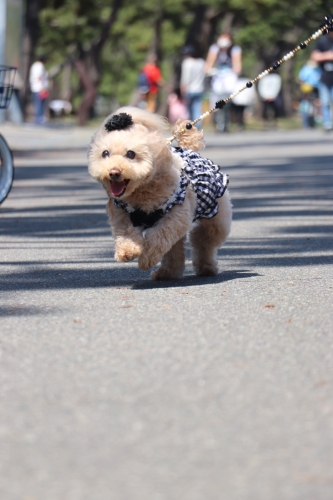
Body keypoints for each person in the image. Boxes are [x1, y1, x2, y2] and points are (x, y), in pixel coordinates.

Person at [205, 31, 242, 132]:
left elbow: (237, 65)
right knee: (216, 97)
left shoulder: (234, 49)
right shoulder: (215, 48)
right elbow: (209, 63)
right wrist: (209, 70)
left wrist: (234, 71)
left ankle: (228, 121)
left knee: (229, 96)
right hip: (218, 75)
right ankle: (218, 122)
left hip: (229, 75)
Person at [311, 30, 333, 131]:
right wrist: (328, 55)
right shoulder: (323, 41)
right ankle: (328, 124)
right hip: (325, 78)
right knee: (325, 102)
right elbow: (314, 57)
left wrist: (324, 56)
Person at [180, 45, 205, 125]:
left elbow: (186, 77)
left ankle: (189, 125)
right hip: (199, 88)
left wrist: (183, 88)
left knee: (188, 109)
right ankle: (198, 124)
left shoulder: (187, 63)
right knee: (197, 108)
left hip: (189, 89)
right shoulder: (201, 62)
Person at [297, 59, 321, 128]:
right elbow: (300, 79)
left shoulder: (317, 69)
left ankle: (314, 120)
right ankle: (306, 121)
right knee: (306, 105)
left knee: (316, 104)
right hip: (307, 89)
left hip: (315, 89)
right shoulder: (306, 69)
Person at [29, 55, 49, 124]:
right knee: (40, 104)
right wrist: (42, 87)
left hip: (34, 87)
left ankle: (38, 117)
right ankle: (38, 118)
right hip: (39, 88)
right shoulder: (40, 66)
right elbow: (39, 77)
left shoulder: (34, 65)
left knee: (37, 103)